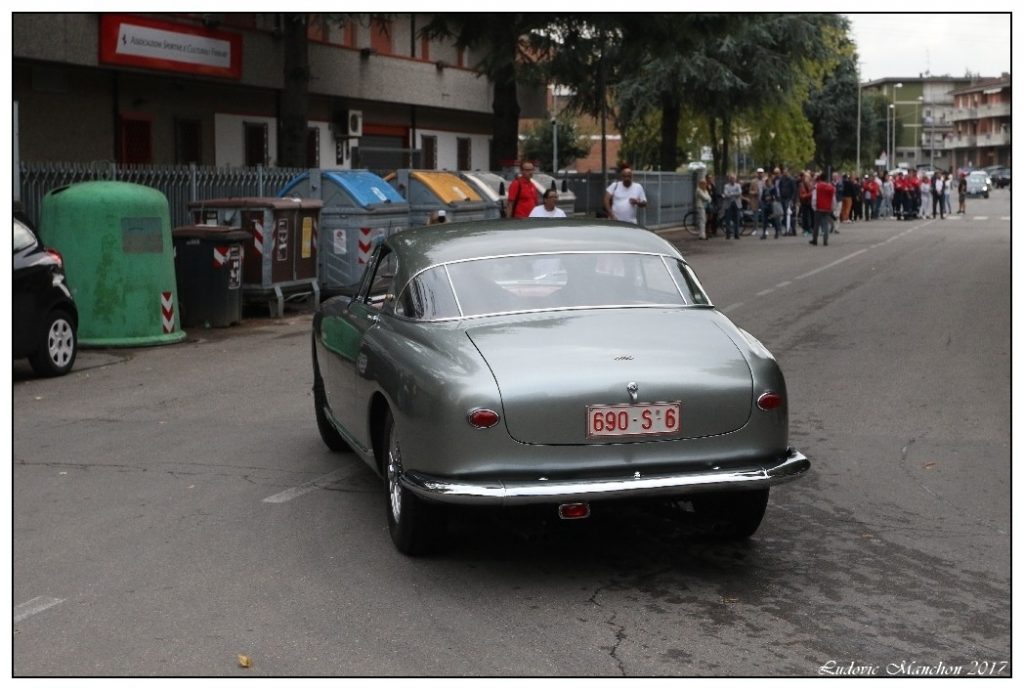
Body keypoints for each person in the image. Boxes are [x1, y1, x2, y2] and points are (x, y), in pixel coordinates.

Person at [811, 172, 834, 246]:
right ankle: (825, 240)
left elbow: (814, 197)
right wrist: (832, 207)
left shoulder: (817, 186)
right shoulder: (830, 187)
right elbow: (833, 198)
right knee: (825, 224)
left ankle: (815, 239)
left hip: (819, 207)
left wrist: (814, 206)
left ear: (820, 178)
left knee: (816, 224)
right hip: (827, 208)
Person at [722, 174, 743, 239]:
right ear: (729, 179)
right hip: (728, 204)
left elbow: (739, 193)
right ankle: (728, 235)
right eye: (731, 178)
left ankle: (736, 235)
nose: (732, 180)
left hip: (736, 204)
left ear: (735, 179)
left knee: (737, 220)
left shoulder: (738, 185)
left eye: (734, 178)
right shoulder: (726, 186)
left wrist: (730, 193)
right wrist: (734, 194)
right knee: (727, 220)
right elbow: (726, 194)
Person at [798, 171, 814, 236]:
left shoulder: (812, 184)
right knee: (805, 216)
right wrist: (810, 195)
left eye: (808, 177)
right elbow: (801, 195)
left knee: (812, 216)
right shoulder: (801, 185)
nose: (806, 178)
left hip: (811, 202)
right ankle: (806, 229)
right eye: (805, 177)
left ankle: (812, 228)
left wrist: (809, 195)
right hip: (804, 202)